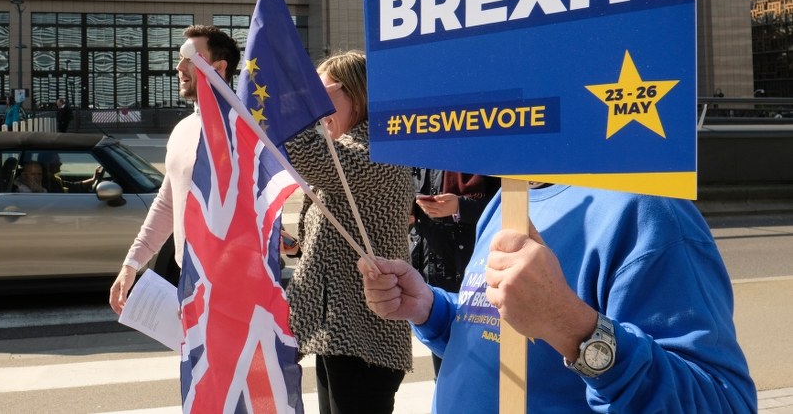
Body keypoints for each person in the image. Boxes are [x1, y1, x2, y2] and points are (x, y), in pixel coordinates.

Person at [358, 182, 758, 413]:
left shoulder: (646, 207)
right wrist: (432, 309)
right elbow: (501, 333)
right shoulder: (508, 197)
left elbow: (724, 402)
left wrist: (571, 326)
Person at [283, 50, 414, 414]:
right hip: (338, 332)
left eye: (323, 94)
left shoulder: (378, 151)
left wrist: (298, 98)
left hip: (366, 338)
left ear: (356, 94)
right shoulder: (350, 150)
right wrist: (299, 245)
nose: (317, 109)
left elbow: (299, 151)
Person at [109, 25, 240, 314]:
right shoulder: (183, 129)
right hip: (191, 285)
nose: (179, 67)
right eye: (180, 58)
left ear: (219, 67)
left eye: (190, 57)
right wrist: (132, 264)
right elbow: (168, 204)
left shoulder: (243, 128)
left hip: (238, 288)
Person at [409, 169, 498, 375]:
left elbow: (514, 202)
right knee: (445, 372)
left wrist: (461, 207)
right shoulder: (421, 144)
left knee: (480, 369)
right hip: (432, 273)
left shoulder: (486, 141)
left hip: (475, 276)